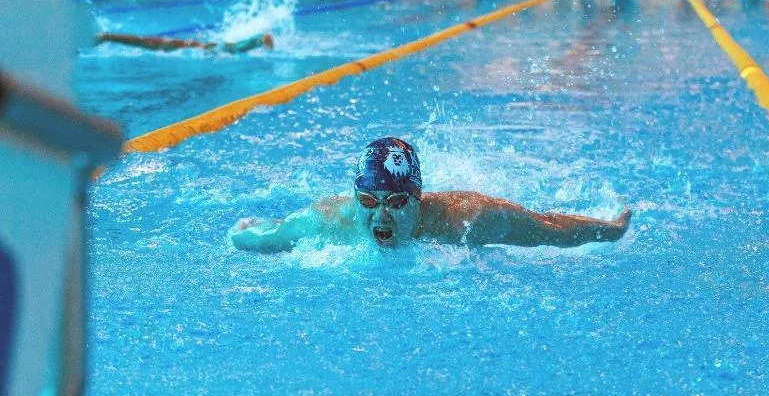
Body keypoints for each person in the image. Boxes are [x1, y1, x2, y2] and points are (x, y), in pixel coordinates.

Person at [229, 137, 631, 253]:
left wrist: (609, 229)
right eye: (369, 201)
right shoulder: (331, 220)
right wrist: (246, 232)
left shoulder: (467, 219)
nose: (380, 215)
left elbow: (549, 228)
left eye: (397, 201)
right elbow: (274, 233)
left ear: (418, 199)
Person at [95, 32, 274, 53]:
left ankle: (259, 39)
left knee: (229, 49)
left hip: (196, 47)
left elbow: (142, 42)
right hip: (192, 46)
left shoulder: (170, 45)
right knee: (229, 49)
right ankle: (258, 40)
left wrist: (108, 37)